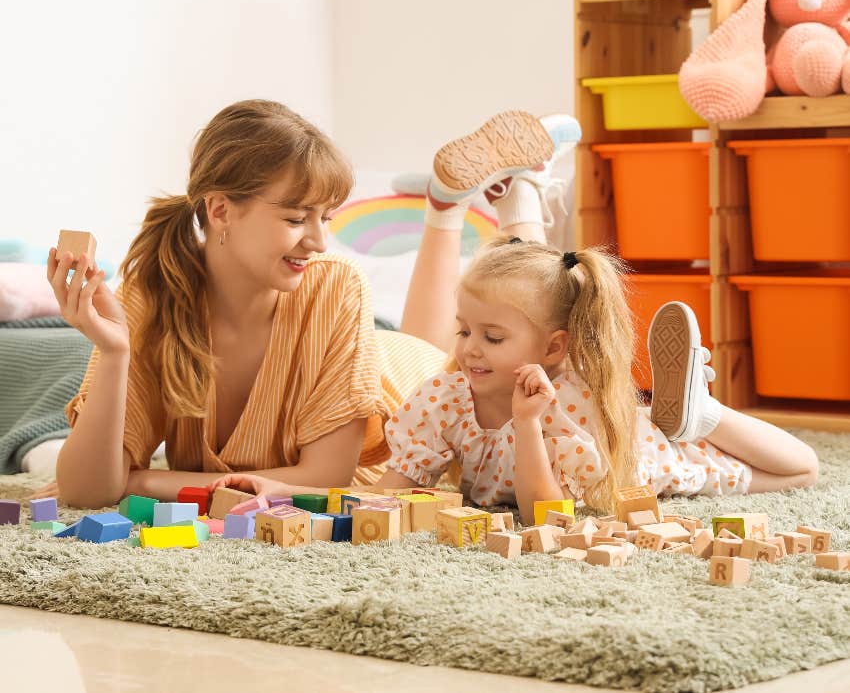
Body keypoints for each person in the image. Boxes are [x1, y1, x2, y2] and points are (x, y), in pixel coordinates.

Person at [213, 111, 819, 526]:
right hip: (567, 390)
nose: (469, 349)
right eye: (464, 330)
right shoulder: (446, 396)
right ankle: (522, 193)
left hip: (638, 463)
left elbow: (542, 516)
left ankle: (702, 413)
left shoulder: (568, 404)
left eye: (491, 337)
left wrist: (528, 426)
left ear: (555, 349)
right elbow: (383, 494)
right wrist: (288, 493)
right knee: (525, 295)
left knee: (799, 472)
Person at [46, 100, 449, 508]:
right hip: (371, 354)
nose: (319, 241)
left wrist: (144, 481)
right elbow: (87, 493)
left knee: (476, 345)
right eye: (296, 219)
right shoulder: (151, 291)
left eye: (325, 218)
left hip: (410, 373)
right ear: (220, 211)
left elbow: (325, 478)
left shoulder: (339, 284)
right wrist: (115, 353)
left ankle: (452, 208)